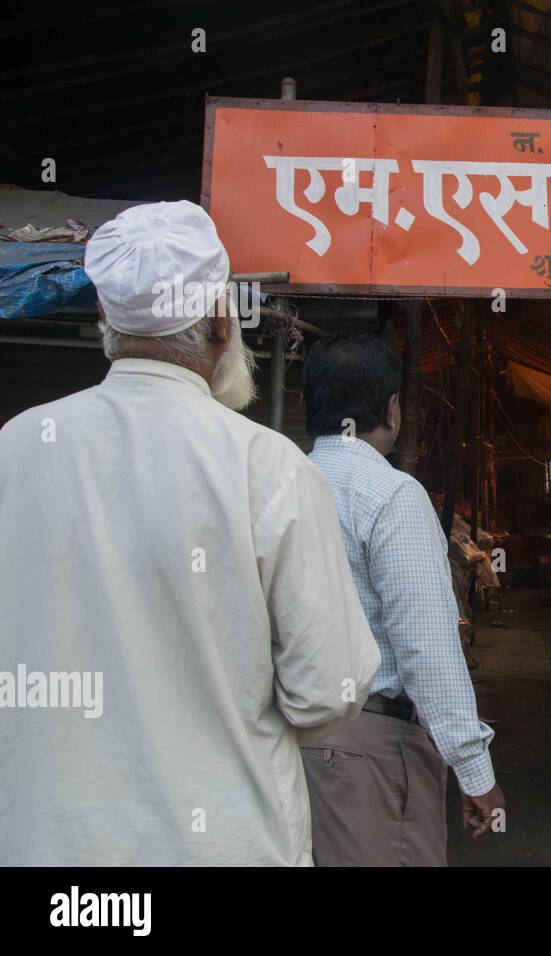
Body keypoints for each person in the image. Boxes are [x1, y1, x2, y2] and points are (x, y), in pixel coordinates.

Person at [0, 200, 381, 865]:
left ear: (103, 319)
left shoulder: (18, 447)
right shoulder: (267, 468)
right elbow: (328, 693)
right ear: (219, 321)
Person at [301, 333, 505, 866]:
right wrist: (474, 770)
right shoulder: (391, 495)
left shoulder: (281, 483)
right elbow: (428, 652)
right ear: (392, 409)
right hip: (372, 744)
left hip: (292, 737)